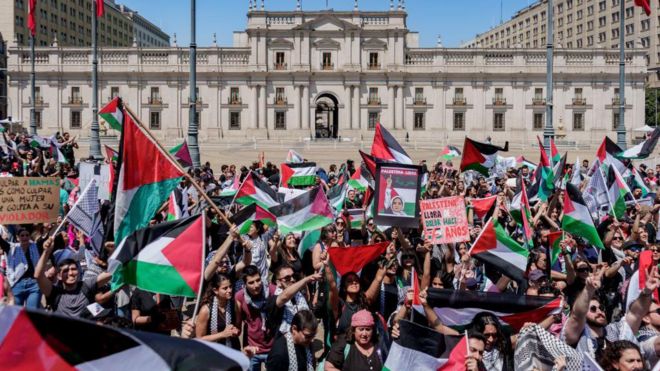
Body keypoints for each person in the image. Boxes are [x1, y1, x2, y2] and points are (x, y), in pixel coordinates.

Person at [34, 237, 112, 318]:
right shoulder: (54, 293)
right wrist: (46, 251)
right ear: (59, 276)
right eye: (65, 271)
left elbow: (111, 273)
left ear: (78, 272)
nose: (70, 273)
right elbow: (38, 275)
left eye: (73, 269)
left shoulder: (86, 285)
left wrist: (114, 251)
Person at [235, 265, 278, 371]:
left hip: (273, 347)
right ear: (244, 284)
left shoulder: (273, 291)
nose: (256, 285)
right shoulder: (240, 297)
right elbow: (238, 324)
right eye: (251, 282)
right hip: (252, 349)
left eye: (258, 280)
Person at [195, 273, 240, 349]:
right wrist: (222, 334)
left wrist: (235, 331)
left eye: (230, 287)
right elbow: (199, 339)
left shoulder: (236, 304)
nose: (230, 290)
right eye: (225, 288)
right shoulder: (205, 310)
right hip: (213, 352)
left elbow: (239, 328)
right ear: (215, 290)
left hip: (232, 349)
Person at [0, 227, 42, 308]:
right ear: (17, 238)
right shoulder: (11, 247)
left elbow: (46, 242)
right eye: (22, 235)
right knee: (16, 315)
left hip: (34, 285)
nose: (25, 237)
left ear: (29, 237)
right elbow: (1, 241)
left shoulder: (35, 246)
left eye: (27, 235)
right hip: (16, 284)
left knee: (31, 315)